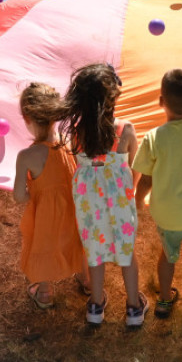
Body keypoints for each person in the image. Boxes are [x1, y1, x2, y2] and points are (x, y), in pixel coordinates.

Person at [60, 63, 146, 326]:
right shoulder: (126, 130)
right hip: (119, 195)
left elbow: (78, 162)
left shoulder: (77, 131)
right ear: (112, 98)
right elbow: (136, 167)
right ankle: (133, 308)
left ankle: (95, 306)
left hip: (88, 196)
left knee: (94, 251)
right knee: (126, 250)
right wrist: (126, 186)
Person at [133, 69, 182, 329]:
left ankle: (165, 300)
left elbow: (146, 179)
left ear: (160, 101)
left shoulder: (154, 138)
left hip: (168, 216)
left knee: (168, 256)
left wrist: (137, 201)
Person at [13, 82, 86, 309]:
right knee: (75, 240)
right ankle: (87, 280)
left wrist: (33, 195)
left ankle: (44, 292)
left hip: (45, 215)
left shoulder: (26, 155)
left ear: (26, 117)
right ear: (54, 116)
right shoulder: (67, 143)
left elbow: (18, 196)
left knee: (43, 246)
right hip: (73, 210)